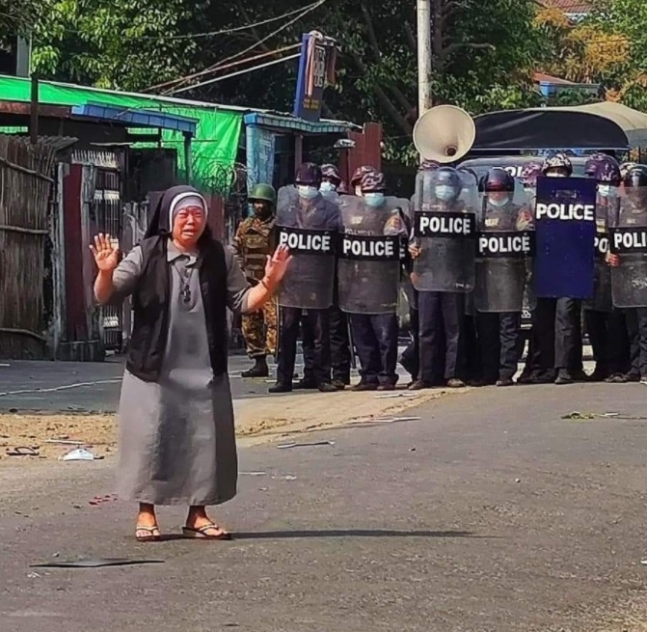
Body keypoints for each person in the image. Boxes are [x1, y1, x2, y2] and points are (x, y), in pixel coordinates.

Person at [90, 185, 290, 541]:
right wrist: (105, 272)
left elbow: (244, 301)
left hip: (204, 368)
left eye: (197, 213)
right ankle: (146, 513)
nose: (191, 220)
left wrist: (271, 282)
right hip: (154, 368)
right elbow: (106, 296)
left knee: (204, 442)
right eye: (183, 214)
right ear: (168, 219)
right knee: (151, 440)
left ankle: (197, 515)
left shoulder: (219, 255)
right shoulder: (147, 253)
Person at [270, 163, 339, 393]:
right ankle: (284, 378)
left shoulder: (330, 210)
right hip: (291, 280)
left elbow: (336, 242)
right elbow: (276, 239)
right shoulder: (287, 208)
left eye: (310, 185)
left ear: (318, 185)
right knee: (287, 331)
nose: (306, 188)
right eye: (303, 184)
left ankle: (321, 377)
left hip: (318, 280)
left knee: (320, 332)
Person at [341, 170, 406, 391]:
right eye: (368, 191)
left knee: (385, 336)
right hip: (357, 284)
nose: (372, 195)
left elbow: (401, 240)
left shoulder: (392, 213)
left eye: (376, 192)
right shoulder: (351, 213)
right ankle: (368, 376)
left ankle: (387, 376)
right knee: (363, 335)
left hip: (383, 285)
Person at [409, 166, 471, 390]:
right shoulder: (423, 209)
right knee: (427, 328)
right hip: (428, 274)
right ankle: (424, 375)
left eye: (449, 187)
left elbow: (470, 243)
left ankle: (453, 373)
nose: (445, 190)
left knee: (454, 328)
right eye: (441, 186)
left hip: (453, 275)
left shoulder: (464, 210)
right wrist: (412, 249)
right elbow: (412, 239)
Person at [472, 168, 530, 387]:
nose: (496, 194)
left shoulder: (518, 211)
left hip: (510, 279)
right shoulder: (478, 213)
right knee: (487, 329)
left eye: (501, 190)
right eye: (492, 190)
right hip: (484, 281)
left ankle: (506, 373)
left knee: (509, 329)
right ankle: (488, 372)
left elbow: (527, 235)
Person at [532, 153, 586, 385]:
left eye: (561, 172)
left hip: (569, 269)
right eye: (552, 172)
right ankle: (546, 366)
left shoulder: (579, 201)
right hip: (544, 269)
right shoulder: (534, 203)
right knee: (543, 320)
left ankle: (564, 368)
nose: (557, 176)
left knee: (566, 318)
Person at [582, 155, 630, 382]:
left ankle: (616, 367)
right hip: (591, 273)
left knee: (615, 322)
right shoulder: (584, 207)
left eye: (609, 184)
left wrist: (616, 252)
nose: (605, 189)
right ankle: (601, 365)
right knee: (593, 321)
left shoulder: (623, 205)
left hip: (615, 275)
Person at [231, 183, 278, 378]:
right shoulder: (245, 226)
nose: (259, 206)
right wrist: (240, 271)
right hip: (250, 283)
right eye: (256, 202)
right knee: (250, 325)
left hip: (271, 283)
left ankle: (282, 365)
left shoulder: (277, 226)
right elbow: (236, 249)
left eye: (263, 202)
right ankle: (259, 363)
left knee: (275, 324)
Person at [607, 165, 647, 384]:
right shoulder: (620, 211)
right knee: (631, 325)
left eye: (641, 190)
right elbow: (613, 242)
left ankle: (645, 368)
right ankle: (634, 367)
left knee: (644, 325)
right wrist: (610, 254)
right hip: (627, 277)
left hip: (645, 275)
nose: (637, 195)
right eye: (633, 190)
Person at [320, 163, 352, 390]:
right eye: (325, 179)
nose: (328, 184)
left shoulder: (346, 208)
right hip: (316, 275)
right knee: (317, 328)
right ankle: (317, 373)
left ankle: (340, 373)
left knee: (335, 326)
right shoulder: (310, 208)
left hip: (339, 274)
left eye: (332, 181)